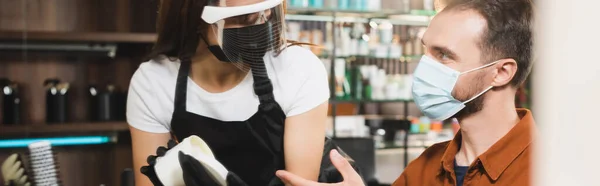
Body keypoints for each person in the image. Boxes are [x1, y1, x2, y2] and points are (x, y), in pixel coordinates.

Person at [276, 0, 535, 185]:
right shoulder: (426, 167)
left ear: (501, 73)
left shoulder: (547, 169)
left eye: (443, 55)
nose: (423, 67)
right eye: (426, 51)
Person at [126, 0, 332, 185]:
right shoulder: (154, 82)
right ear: (194, 17)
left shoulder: (299, 69)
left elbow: (300, 182)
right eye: (242, 19)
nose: (259, 26)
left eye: (266, 13)